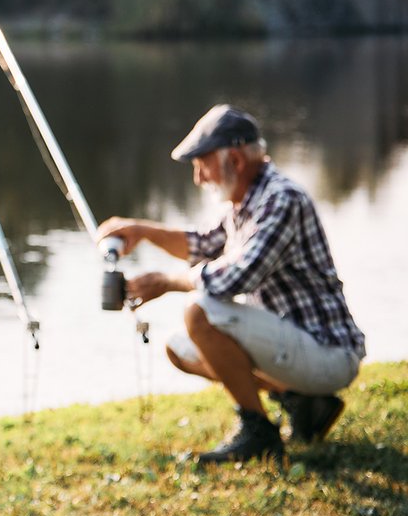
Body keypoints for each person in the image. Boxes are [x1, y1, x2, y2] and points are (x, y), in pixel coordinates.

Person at [97, 104, 365, 464]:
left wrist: (165, 281)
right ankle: (302, 401)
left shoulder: (281, 199)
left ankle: (258, 432)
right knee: (180, 348)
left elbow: (238, 276)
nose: (198, 177)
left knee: (200, 312)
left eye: (202, 164)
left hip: (328, 353)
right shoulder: (243, 204)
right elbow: (201, 244)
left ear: (235, 160)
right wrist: (142, 231)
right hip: (294, 346)